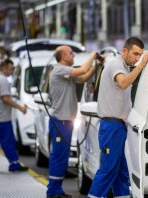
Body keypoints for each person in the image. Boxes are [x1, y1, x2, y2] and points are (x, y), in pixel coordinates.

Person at [88, 37, 148, 198]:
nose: (137, 59)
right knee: (109, 169)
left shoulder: (123, 66)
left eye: (140, 55)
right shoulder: (116, 64)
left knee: (121, 172)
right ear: (125, 50)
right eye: (135, 54)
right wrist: (142, 65)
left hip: (119, 126)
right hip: (111, 127)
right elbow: (123, 83)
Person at [47, 46, 100, 198]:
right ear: (63, 56)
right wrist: (92, 56)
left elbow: (82, 78)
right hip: (60, 123)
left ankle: (57, 189)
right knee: (58, 157)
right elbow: (82, 70)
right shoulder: (59, 70)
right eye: (71, 53)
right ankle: (52, 191)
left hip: (65, 122)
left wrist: (96, 65)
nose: (73, 55)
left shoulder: (66, 72)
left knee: (62, 157)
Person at [0, 59, 28, 172]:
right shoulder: (3, 80)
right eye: (10, 69)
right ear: (4, 67)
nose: (11, 71)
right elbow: (6, 98)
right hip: (1, 118)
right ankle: (14, 164)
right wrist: (21, 108)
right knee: (8, 141)